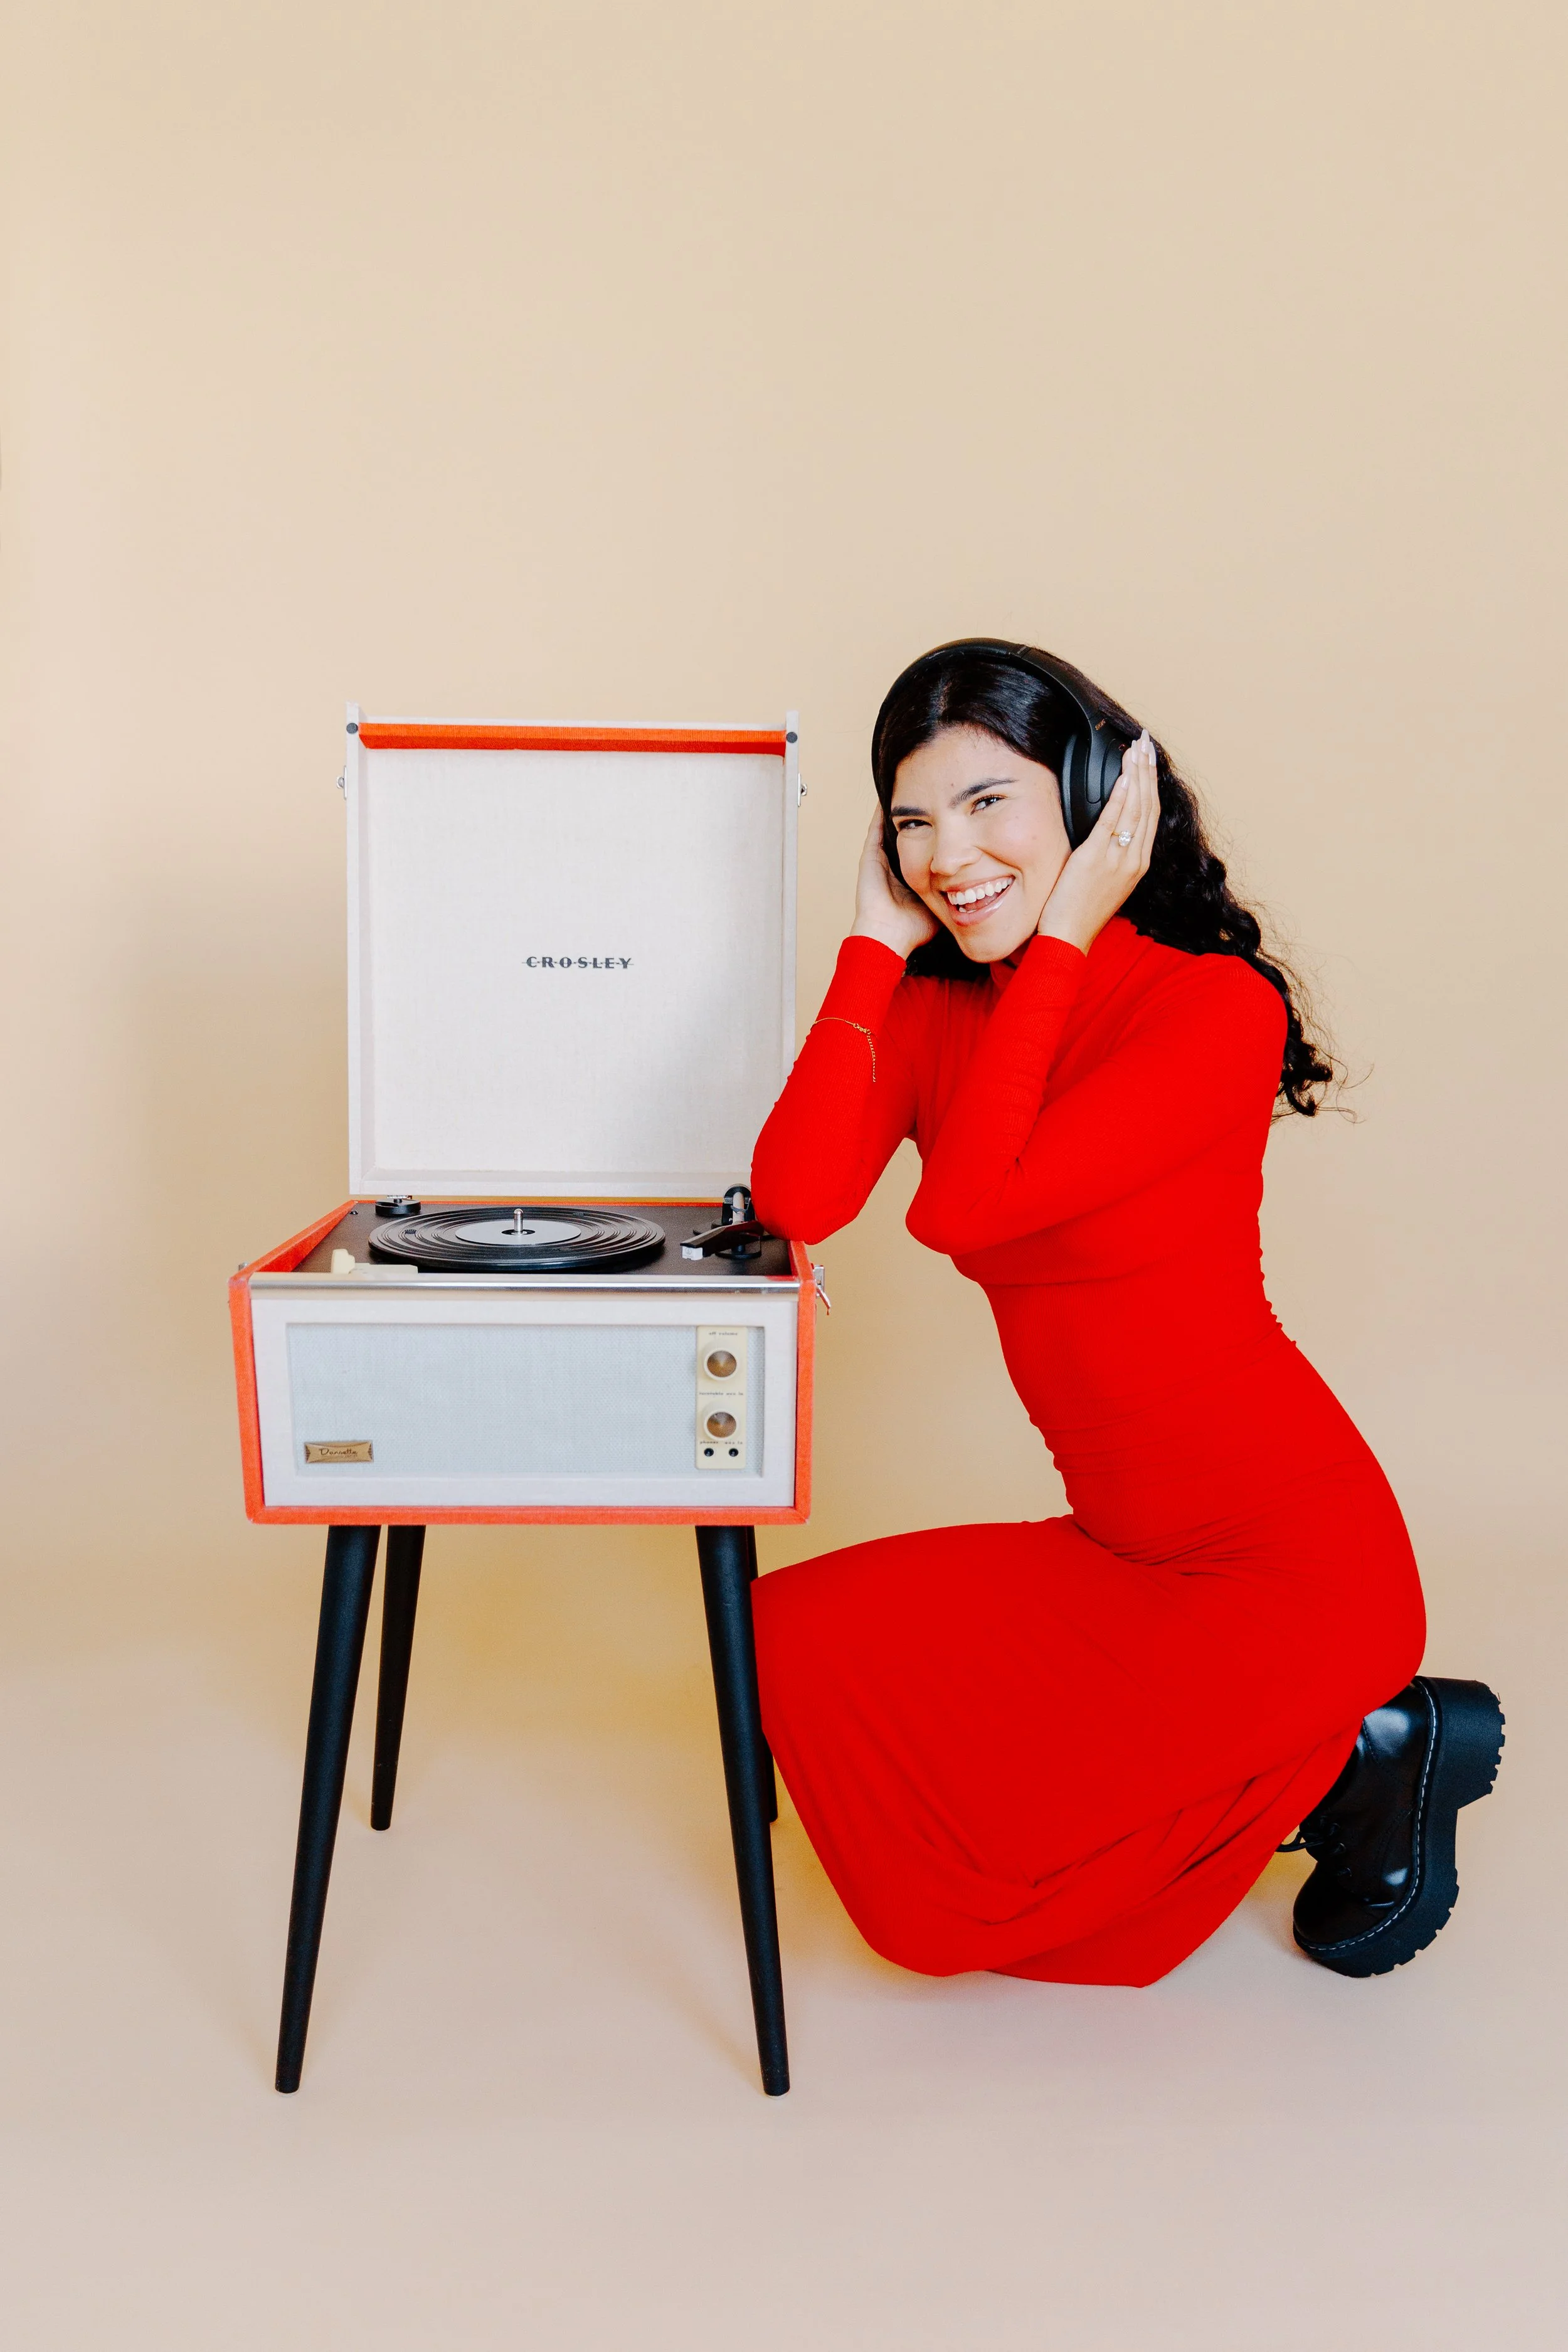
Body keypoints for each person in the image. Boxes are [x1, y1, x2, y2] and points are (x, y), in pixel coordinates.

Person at [748, 639, 1502, 1987]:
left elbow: (970, 1206)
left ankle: (1357, 1751)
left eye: (991, 804)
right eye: (912, 820)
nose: (945, 854)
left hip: (1286, 1569)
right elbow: (797, 1198)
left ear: (1096, 801)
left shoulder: (1214, 1009)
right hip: (1121, 1552)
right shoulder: (929, 1011)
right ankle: (1345, 1759)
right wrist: (870, 945)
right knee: (789, 1648)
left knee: (1001, 1902)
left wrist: (1066, 936)